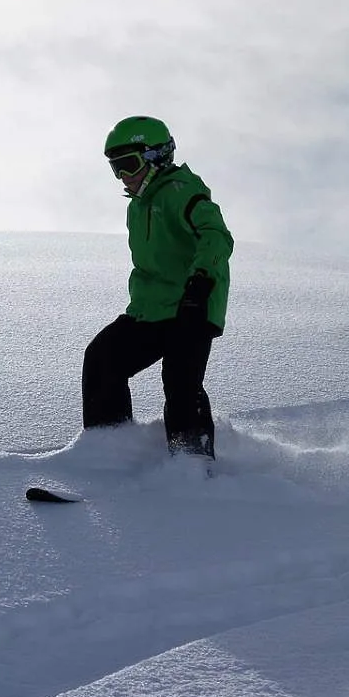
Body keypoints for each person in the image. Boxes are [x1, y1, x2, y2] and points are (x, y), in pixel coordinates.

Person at [82, 116, 234, 460]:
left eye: (128, 164)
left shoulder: (182, 191)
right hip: (151, 310)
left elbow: (216, 235)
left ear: (156, 157)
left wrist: (200, 281)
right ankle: (109, 452)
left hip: (192, 307)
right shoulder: (139, 205)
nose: (122, 176)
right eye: (114, 168)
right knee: (103, 358)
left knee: (181, 382)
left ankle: (191, 466)